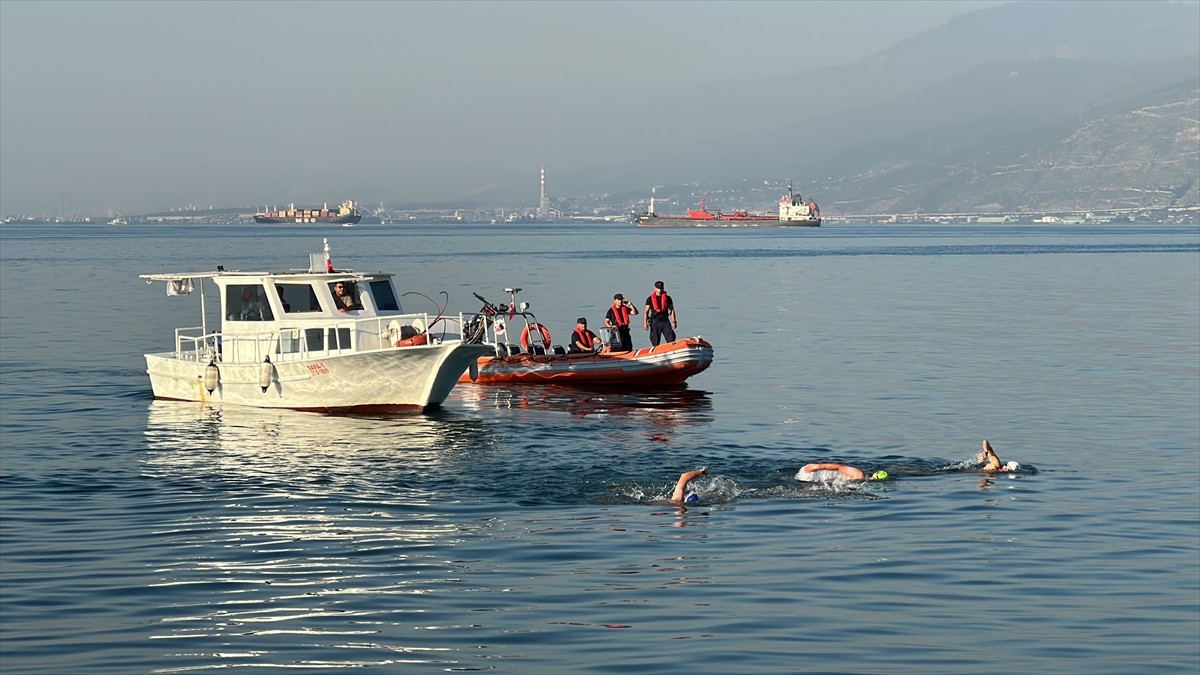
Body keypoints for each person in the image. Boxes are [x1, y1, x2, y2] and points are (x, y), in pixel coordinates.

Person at [643, 280, 677, 347]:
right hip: (655, 322)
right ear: (655, 288)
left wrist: (674, 322)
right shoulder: (649, 299)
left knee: (671, 338)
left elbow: (672, 310)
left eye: (661, 288)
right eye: (658, 288)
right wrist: (645, 323)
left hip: (665, 321)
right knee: (655, 341)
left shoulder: (668, 298)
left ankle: (672, 350)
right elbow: (646, 311)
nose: (660, 290)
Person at [796, 463, 888, 482]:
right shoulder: (858, 475)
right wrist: (818, 467)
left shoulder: (861, 481)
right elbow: (838, 467)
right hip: (810, 472)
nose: (873, 480)